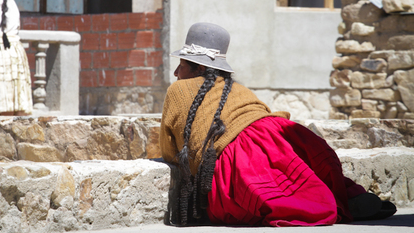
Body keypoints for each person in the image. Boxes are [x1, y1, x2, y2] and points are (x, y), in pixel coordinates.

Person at [160, 22, 396, 227]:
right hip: (280, 137)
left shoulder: (178, 90)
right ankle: (345, 196)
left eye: (182, 64)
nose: (176, 72)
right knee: (299, 171)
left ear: (199, 67)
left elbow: (170, 149)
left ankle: (328, 205)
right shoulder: (238, 88)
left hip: (241, 157)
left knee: (269, 191)